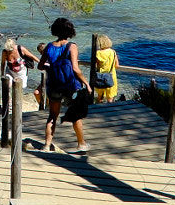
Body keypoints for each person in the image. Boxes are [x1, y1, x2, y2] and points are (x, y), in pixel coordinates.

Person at [39, 17, 93, 152]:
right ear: (70, 30)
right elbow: (75, 68)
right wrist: (86, 83)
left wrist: (51, 68)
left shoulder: (49, 46)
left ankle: (46, 145)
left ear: (55, 30)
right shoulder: (71, 46)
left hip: (53, 85)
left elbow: (41, 66)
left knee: (52, 116)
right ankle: (81, 144)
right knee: (75, 115)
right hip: (70, 86)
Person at [91, 34, 120, 103]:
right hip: (111, 76)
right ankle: (110, 111)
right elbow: (117, 65)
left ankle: (99, 110)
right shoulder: (113, 52)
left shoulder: (98, 53)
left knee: (100, 97)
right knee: (110, 97)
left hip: (100, 76)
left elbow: (95, 65)